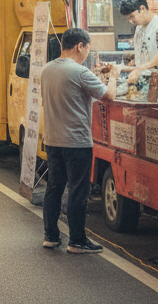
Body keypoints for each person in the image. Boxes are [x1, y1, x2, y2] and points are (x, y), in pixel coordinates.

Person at [41, 27, 117, 254]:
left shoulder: (47, 69)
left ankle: (50, 236)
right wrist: (114, 75)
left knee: (54, 189)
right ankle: (77, 240)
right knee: (77, 191)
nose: (87, 54)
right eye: (87, 49)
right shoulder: (80, 72)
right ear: (80, 46)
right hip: (76, 143)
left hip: (52, 140)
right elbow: (109, 96)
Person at [118, 0, 158, 83]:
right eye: (128, 18)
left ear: (142, 9)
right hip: (144, 80)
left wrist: (139, 69)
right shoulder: (139, 27)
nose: (131, 21)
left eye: (131, 17)